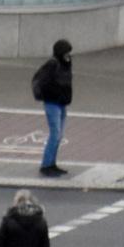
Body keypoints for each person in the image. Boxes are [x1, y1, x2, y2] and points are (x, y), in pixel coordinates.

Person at [32, 39, 74, 178]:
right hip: (52, 104)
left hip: (61, 103)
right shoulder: (52, 64)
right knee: (55, 134)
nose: (69, 55)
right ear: (61, 52)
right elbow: (44, 82)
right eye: (67, 52)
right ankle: (46, 165)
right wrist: (54, 94)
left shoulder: (65, 64)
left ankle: (52, 163)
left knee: (59, 135)